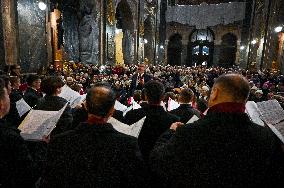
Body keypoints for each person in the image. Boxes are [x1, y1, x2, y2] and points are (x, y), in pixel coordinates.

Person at [150, 73, 284, 187]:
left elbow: (158, 162)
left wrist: (171, 132)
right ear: (245, 98)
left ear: (215, 93)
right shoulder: (266, 137)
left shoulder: (189, 132)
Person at [40, 83, 148, 188]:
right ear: (112, 111)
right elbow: (136, 180)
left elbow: (49, 180)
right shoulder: (127, 144)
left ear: (85, 106)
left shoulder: (59, 142)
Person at [124, 80, 180, 160]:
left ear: (145, 96)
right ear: (163, 97)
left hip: (136, 161)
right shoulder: (174, 120)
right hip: (161, 162)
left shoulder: (131, 115)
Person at [0, 78, 36, 187]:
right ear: (1, 103)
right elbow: (28, 174)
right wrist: (41, 146)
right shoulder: (10, 137)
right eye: (7, 96)